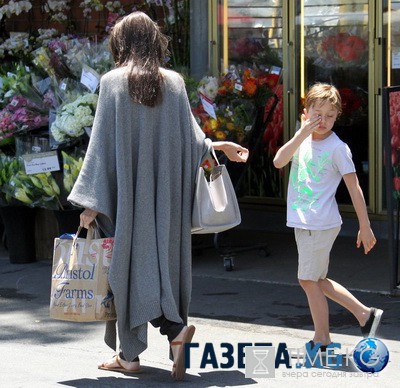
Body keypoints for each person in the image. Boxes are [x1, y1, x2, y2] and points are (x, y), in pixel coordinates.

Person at [68, 11, 249, 381]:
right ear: (154, 41)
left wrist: (90, 202)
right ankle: (163, 336)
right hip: (166, 200)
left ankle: (139, 351)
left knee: (125, 270)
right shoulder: (175, 83)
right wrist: (218, 146)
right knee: (158, 268)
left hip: (126, 200)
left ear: (122, 43)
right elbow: (191, 139)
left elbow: (100, 147)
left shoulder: (112, 82)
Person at [273, 83, 383, 351]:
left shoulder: (337, 147)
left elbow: (354, 187)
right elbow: (278, 161)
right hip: (305, 222)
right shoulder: (302, 139)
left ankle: (322, 338)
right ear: (306, 111)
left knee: (308, 280)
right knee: (315, 279)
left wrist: (365, 225)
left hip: (319, 224)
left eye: (330, 115)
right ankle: (364, 315)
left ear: (338, 117)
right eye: (317, 113)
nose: (322, 121)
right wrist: (300, 134)